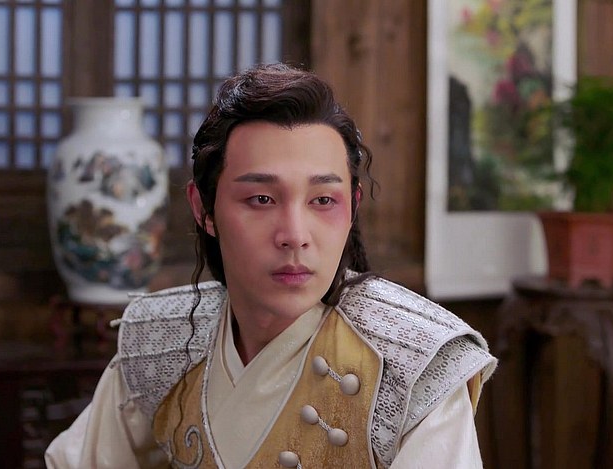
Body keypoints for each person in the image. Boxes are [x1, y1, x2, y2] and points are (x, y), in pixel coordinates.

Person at [45, 63, 497, 468]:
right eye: (261, 199)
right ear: (203, 208)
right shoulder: (160, 341)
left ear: (353, 207)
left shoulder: (415, 363)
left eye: (323, 200)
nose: (294, 234)